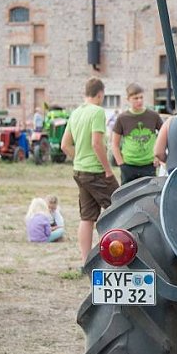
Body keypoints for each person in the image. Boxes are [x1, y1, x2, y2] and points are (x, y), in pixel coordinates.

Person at [61, 77, 118, 263]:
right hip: (96, 171)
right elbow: (96, 143)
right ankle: (115, 256)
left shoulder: (75, 113)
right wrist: (108, 169)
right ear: (100, 94)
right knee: (118, 209)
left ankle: (86, 260)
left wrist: (79, 157)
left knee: (86, 217)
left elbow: (64, 145)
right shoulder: (98, 112)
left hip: (79, 170)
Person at [111, 83, 165, 184]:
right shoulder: (122, 118)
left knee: (149, 197)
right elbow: (114, 144)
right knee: (128, 197)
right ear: (128, 99)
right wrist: (121, 164)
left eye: (141, 97)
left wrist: (158, 156)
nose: (139, 101)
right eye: (135, 98)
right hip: (128, 166)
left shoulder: (153, 116)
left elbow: (164, 136)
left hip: (148, 165)